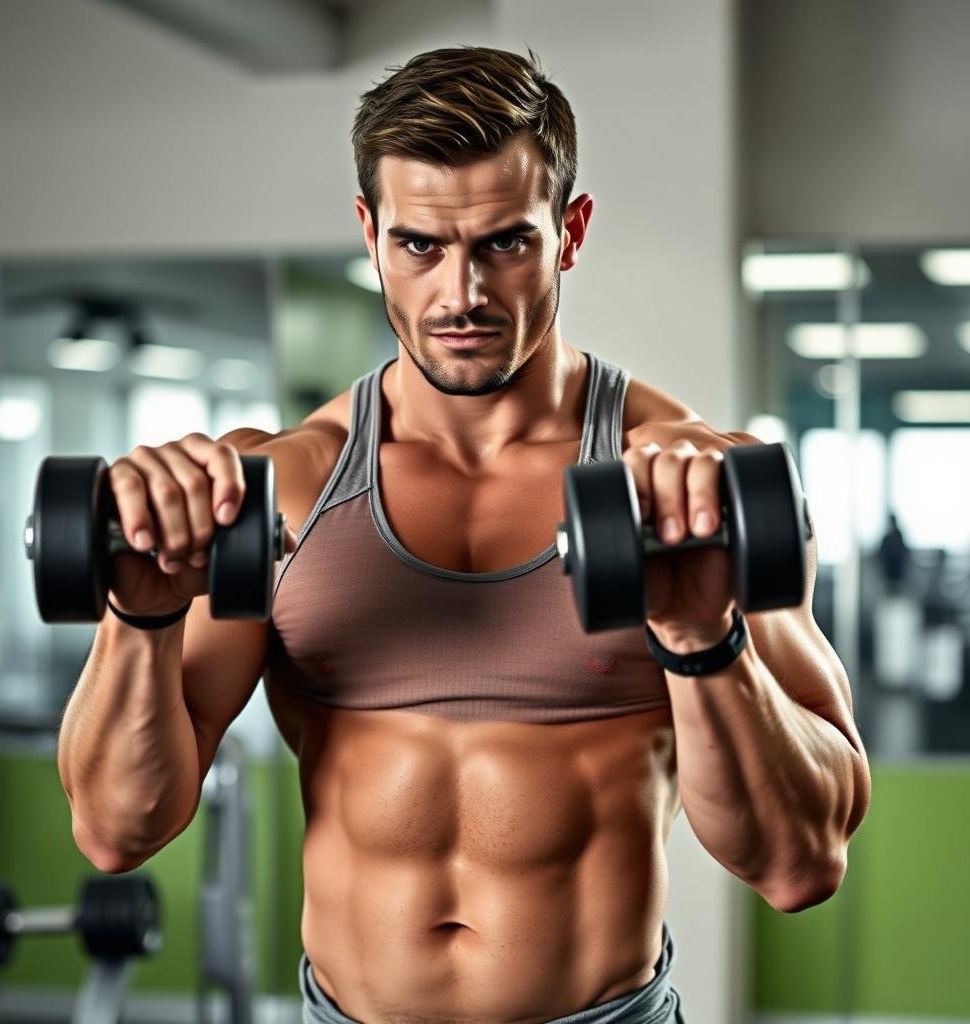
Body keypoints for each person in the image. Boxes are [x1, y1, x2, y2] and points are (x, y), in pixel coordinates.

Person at [57, 46, 872, 1024]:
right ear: (369, 234)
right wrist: (137, 617)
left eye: (503, 244)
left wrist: (704, 641)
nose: (461, 296)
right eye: (420, 247)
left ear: (568, 232)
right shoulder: (282, 490)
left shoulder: (695, 491)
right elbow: (116, 829)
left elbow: (799, 863)